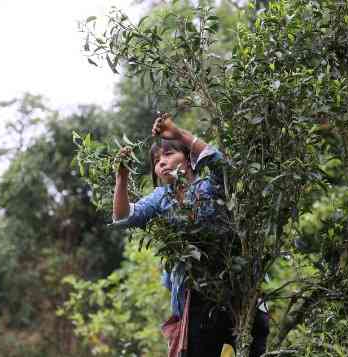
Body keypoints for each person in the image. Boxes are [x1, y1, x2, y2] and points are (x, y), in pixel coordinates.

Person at [111, 113, 269, 357]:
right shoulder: (161, 198)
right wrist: (122, 176)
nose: (161, 163)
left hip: (238, 288)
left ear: (187, 159)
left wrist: (178, 133)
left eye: (168, 154)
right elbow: (123, 217)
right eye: (156, 160)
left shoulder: (209, 186)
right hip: (197, 297)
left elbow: (222, 164)